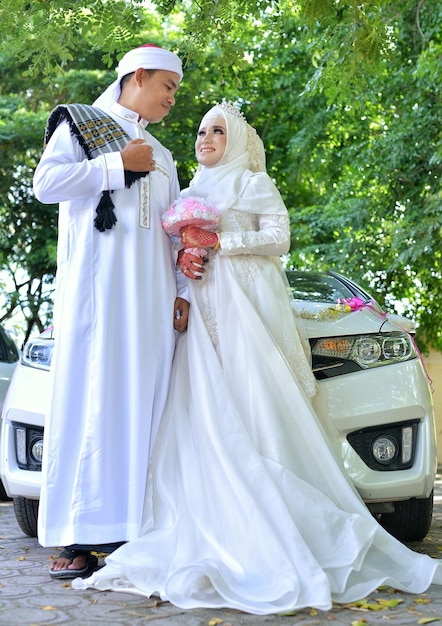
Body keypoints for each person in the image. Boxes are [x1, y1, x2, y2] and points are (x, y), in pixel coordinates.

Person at [73, 101, 442, 613]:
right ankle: (209, 516)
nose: (205, 138)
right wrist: (188, 257)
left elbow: (280, 238)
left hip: (250, 310)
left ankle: (283, 519)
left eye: (216, 131)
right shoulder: (189, 191)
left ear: (238, 140)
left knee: (255, 403)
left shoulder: (251, 183)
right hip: (202, 313)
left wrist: (220, 240)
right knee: (202, 409)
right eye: (201, 131)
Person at [32, 44, 190, 579]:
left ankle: (133, 533)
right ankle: (78, 536)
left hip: (150, 306)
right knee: (90, 403)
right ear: (138, 75)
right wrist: (115, 165)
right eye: (167, 86)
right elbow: (45, 184)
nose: (173, 98)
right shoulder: (80, 127)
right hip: (95, 300)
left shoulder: (164, 155)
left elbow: (172, 234)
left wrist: (181, 294)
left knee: (143, 408)